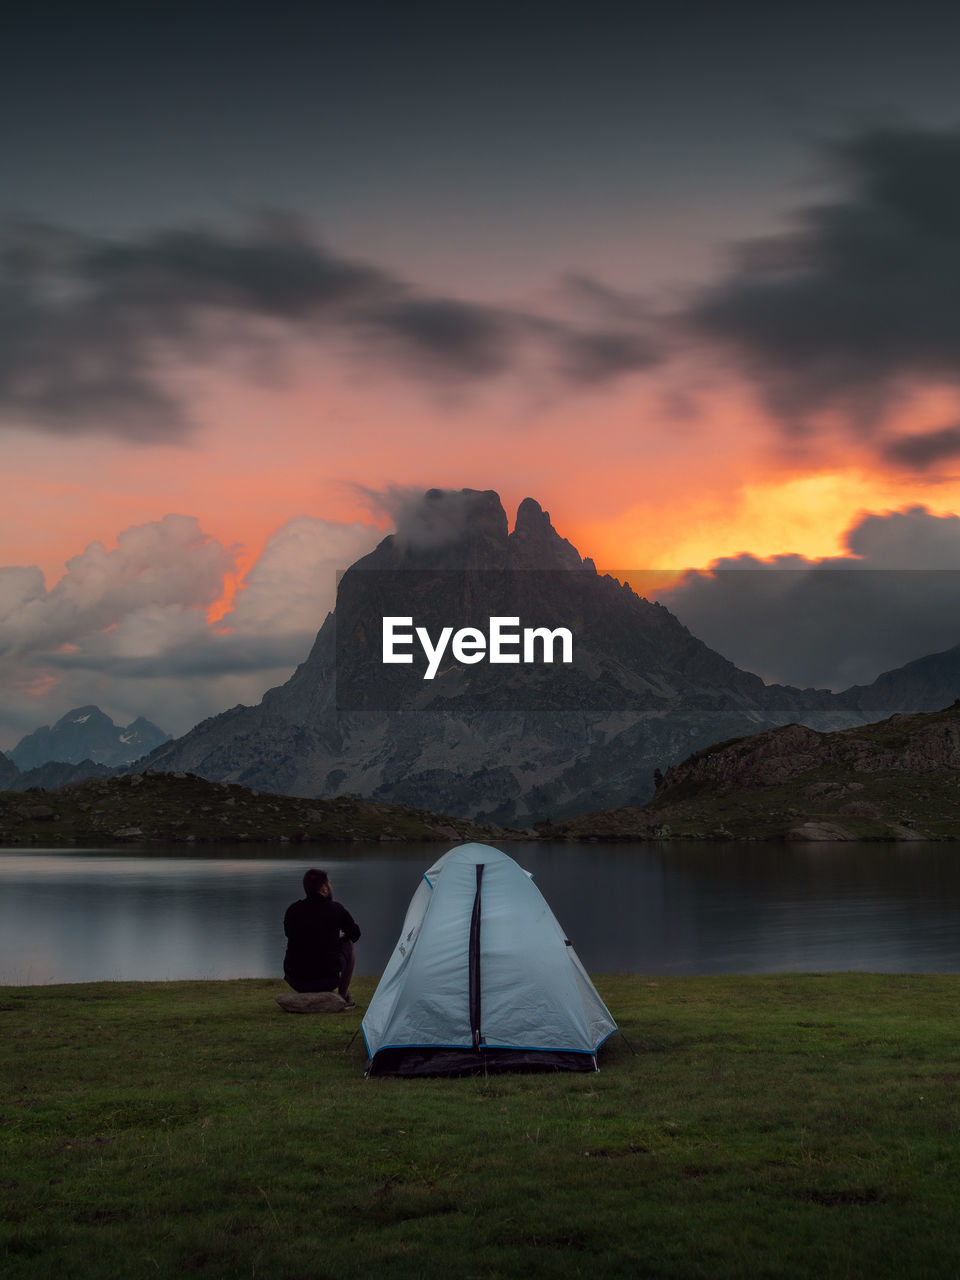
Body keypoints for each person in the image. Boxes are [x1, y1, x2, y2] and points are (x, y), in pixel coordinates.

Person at [283, 868, 361, 1009]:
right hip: (328, 980)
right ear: (324, 888)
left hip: (296, 980)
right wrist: (337, 935)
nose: (331, 886)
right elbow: (355, 934)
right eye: (329, 883)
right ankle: (343, 996)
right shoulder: (336, 909)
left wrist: (328, 935)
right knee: (348, 943)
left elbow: (290, 934)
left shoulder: (292, 910)